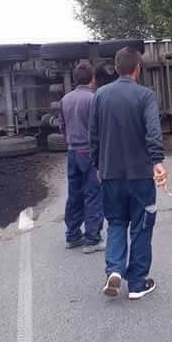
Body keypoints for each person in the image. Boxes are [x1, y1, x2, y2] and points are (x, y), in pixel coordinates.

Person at [89, 47, 168, 300]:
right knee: (142, 228)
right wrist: (157, 161)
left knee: (116, 223)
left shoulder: (100, 95)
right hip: (140, 176)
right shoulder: (145, 95)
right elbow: (153, 132)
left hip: (111, 173)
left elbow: (94, 136)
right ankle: (136, 283)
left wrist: (98, 165)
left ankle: (114, 270)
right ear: (137, 68)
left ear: (115, 67)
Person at [59, 62, 104, 253]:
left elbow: (61, 126)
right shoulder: (94, 99)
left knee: (74, 194)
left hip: (72, 152)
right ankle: (92, 239)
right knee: (93, 194)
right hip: (89, 153)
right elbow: (100, 129)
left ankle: (72, 235)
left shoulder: (65, 99)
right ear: (92, 78)